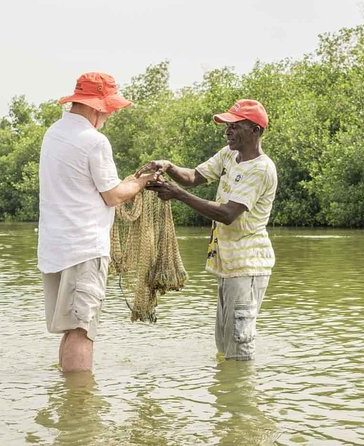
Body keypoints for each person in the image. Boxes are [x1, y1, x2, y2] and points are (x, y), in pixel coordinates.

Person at [137, 99, 277, 361]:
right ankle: (227, 396)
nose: (228, 131)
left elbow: (227, 214)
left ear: (255, 131)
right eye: (227, 126)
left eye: (235, 126)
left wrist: (177, 195)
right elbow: (193, 177)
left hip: (248, 266)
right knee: (224, 347)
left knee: (239, 348)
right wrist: (169, 167)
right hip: (228, 264)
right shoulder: (229, 154)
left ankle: (241, 399)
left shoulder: (260, 169)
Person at [38, 72, 157, 372]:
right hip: (84, 249)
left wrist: (127, 182)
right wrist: (141, 183)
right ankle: (81, 409)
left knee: (70, 328)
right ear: (97, 107)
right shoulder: (94, 142)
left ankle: (70, 403)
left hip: (54, 250)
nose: (110, 115)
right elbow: (113, 195)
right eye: (109, 109)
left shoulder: (53, 133)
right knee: (82, 330)